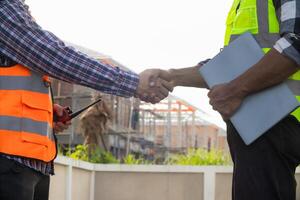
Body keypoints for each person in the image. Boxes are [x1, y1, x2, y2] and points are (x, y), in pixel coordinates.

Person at [0, 1, 173, 200]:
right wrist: (133, 83)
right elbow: (56, 57)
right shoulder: (4, 10)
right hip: (8, 161)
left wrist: (46, 112)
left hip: (28, 162)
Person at [154, 0, 300, 199]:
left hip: (275, 123)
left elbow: (297, 41)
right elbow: (230, 65)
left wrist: (236, 90)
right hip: (258, 125)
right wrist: (173, 76)